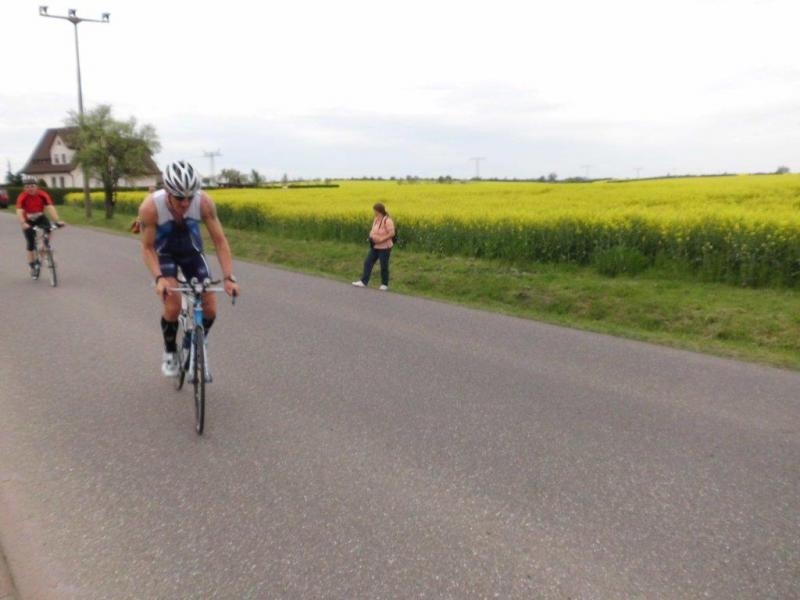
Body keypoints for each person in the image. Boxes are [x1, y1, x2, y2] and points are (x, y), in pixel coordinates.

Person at [137, 161, 240, 378]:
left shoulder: (204, 203)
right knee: (173, 305)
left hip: (192, 253)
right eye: (179, 198)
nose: (185, 203)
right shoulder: (150, 207)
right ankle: (170, 352)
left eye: (189, 197)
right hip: (164, 254)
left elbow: (220, 241)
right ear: (167, 192)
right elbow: (147, 248)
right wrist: (159, 278)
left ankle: (197, 341)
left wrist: (229, 277)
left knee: (210, 308)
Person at [15, 178, 65, 279]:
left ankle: (43, 247)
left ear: (36, 187)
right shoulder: (22, 196)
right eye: (27, 187)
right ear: (24, 188)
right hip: (27, 220)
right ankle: (32, 266)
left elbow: (50, 207)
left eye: (32, 186)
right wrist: (23, 223)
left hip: (40, 217)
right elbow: (19, 211)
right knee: (31, 243)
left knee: (49, 229)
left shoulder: (42, 194)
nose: (30, 189)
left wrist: (57, 220)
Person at [352, 202, 395, 291]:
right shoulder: (376, 219)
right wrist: (371, 236)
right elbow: (373, 230)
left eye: (374, 211)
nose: (374, 212)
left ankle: (384, 284)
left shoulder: (387, 220)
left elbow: (392, 233)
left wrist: (381, 239)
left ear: (379, 211)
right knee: (368, 262)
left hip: (385, 247)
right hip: (375, 246)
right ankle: (363, 282)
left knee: (383, 265)